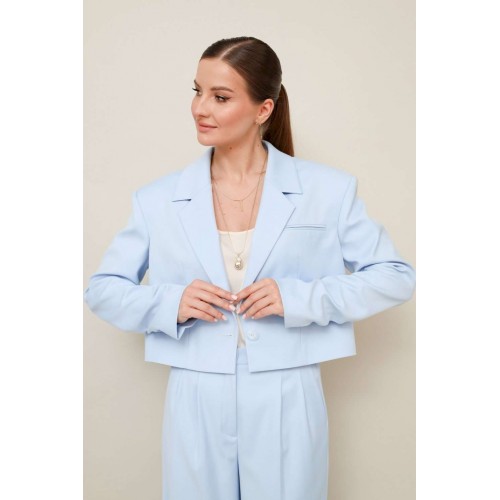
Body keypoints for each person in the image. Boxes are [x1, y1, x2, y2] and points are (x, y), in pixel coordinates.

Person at [84, 36, 416, 500]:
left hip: (288, 385)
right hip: (195, 387)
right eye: (197, 91)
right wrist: (171, 301)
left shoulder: (327, 190)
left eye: (220, 97)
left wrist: (298, 297)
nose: (200, 108)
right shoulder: (157, 199)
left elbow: (395, 276)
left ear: (263, 109)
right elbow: (102, 289)